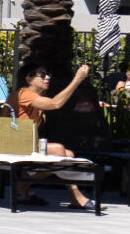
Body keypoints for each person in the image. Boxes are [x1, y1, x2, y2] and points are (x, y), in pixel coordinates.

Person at [13, 59, 96, 210]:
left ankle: (23, 184)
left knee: (68, 154)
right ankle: (75, 196)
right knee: (59, 150)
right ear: (29, 78)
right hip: (14, 144)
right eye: (43, 75)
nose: (48, 77)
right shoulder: (24, 93)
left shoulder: (35, 99)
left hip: (25, 144)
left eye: (48, 74)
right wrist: (77, 80)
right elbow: (55, 104)